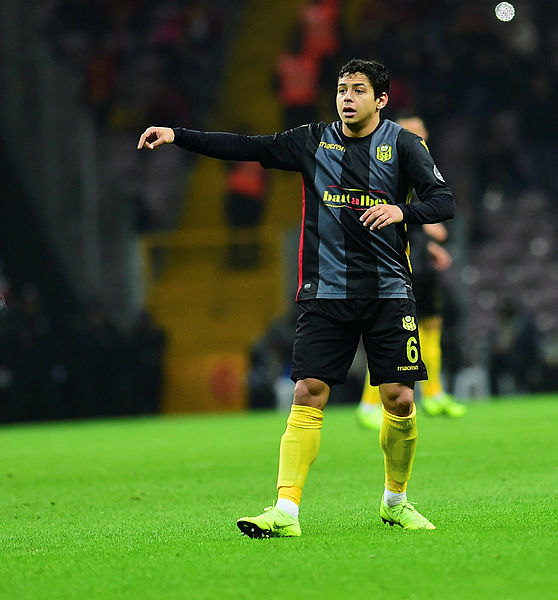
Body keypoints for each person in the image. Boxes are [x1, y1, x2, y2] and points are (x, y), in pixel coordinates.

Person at [137, 58, 455, 535]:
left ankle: (396, 500)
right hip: (325, 293)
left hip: (388, 292)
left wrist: (401, 211)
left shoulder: (405, 144)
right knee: (308, 391)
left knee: (399, 398)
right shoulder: (313, 140)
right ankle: (286, 510)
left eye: (359, 90)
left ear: (381, 99)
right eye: (342, 89)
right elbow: (248, 146)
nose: (347, 98)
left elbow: (444, 202)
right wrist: (178, 135)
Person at [356, 115, 466, 430]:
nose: (418, 136)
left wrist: (430, 246)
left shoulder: (422, 164)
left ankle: (434, 394)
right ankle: (369, 404)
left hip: (421, 263)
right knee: (394, 336)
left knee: (431, 328)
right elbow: (391, 212)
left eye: (420, 130)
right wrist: (426, 232)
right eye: (410, 131)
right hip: (398, 262)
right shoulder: (389, 165)